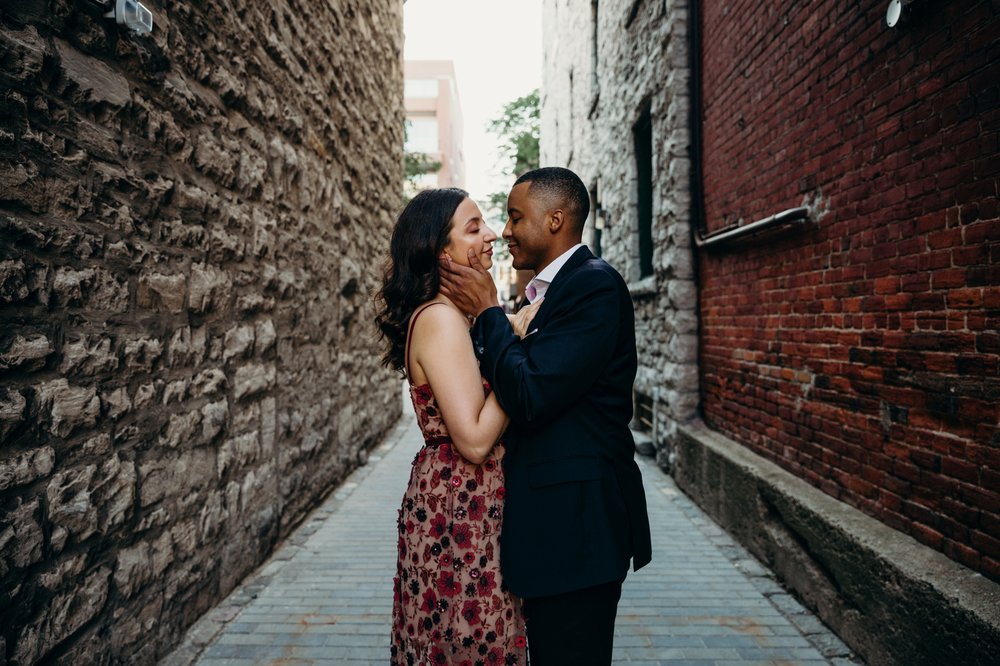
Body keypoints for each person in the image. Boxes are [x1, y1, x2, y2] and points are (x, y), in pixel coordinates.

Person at [439, 167, 653, 665]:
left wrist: (490, 313)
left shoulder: (593, 288)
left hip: (577, 533)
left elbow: (531, 392)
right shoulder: (547, 295)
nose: (506, 231)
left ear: (556, 220)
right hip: (547, 533)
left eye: (516, 217)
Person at [375, 188, 540, 665]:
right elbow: (474, 438)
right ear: (440, 252)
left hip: (463, 502)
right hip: (460, 508)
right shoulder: (442, 320)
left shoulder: (453, 319)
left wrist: (503, 329)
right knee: (469, 640)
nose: (491, 235)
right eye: (474, 228)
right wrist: (523, 356)